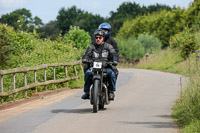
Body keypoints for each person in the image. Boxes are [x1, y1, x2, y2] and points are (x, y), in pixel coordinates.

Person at [82, 29, 118, 100]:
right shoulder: (91, 46)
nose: (98, 39)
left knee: (111, 74)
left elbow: (114, 54)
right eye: (96, 37)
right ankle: (87, 92)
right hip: (94, 67)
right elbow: (87, 54)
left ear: (103, 38)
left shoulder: (108, 46)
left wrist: (114, 60)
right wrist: (85, 59)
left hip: (106, 67)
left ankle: (111, 92)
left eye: (100, 38)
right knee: (88, 73)